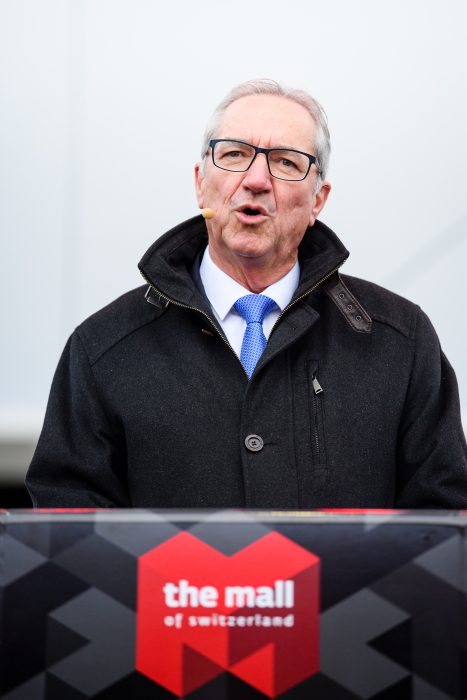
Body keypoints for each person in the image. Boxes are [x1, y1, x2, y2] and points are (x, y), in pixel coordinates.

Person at [26, 79, 467, 508]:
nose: (256, 179)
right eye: (234, 154)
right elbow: (71, 547)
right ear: (201, 182)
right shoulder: (104, 349)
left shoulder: (401, 344)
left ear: (318, 200)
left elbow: (442, 534)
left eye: (286, 162)